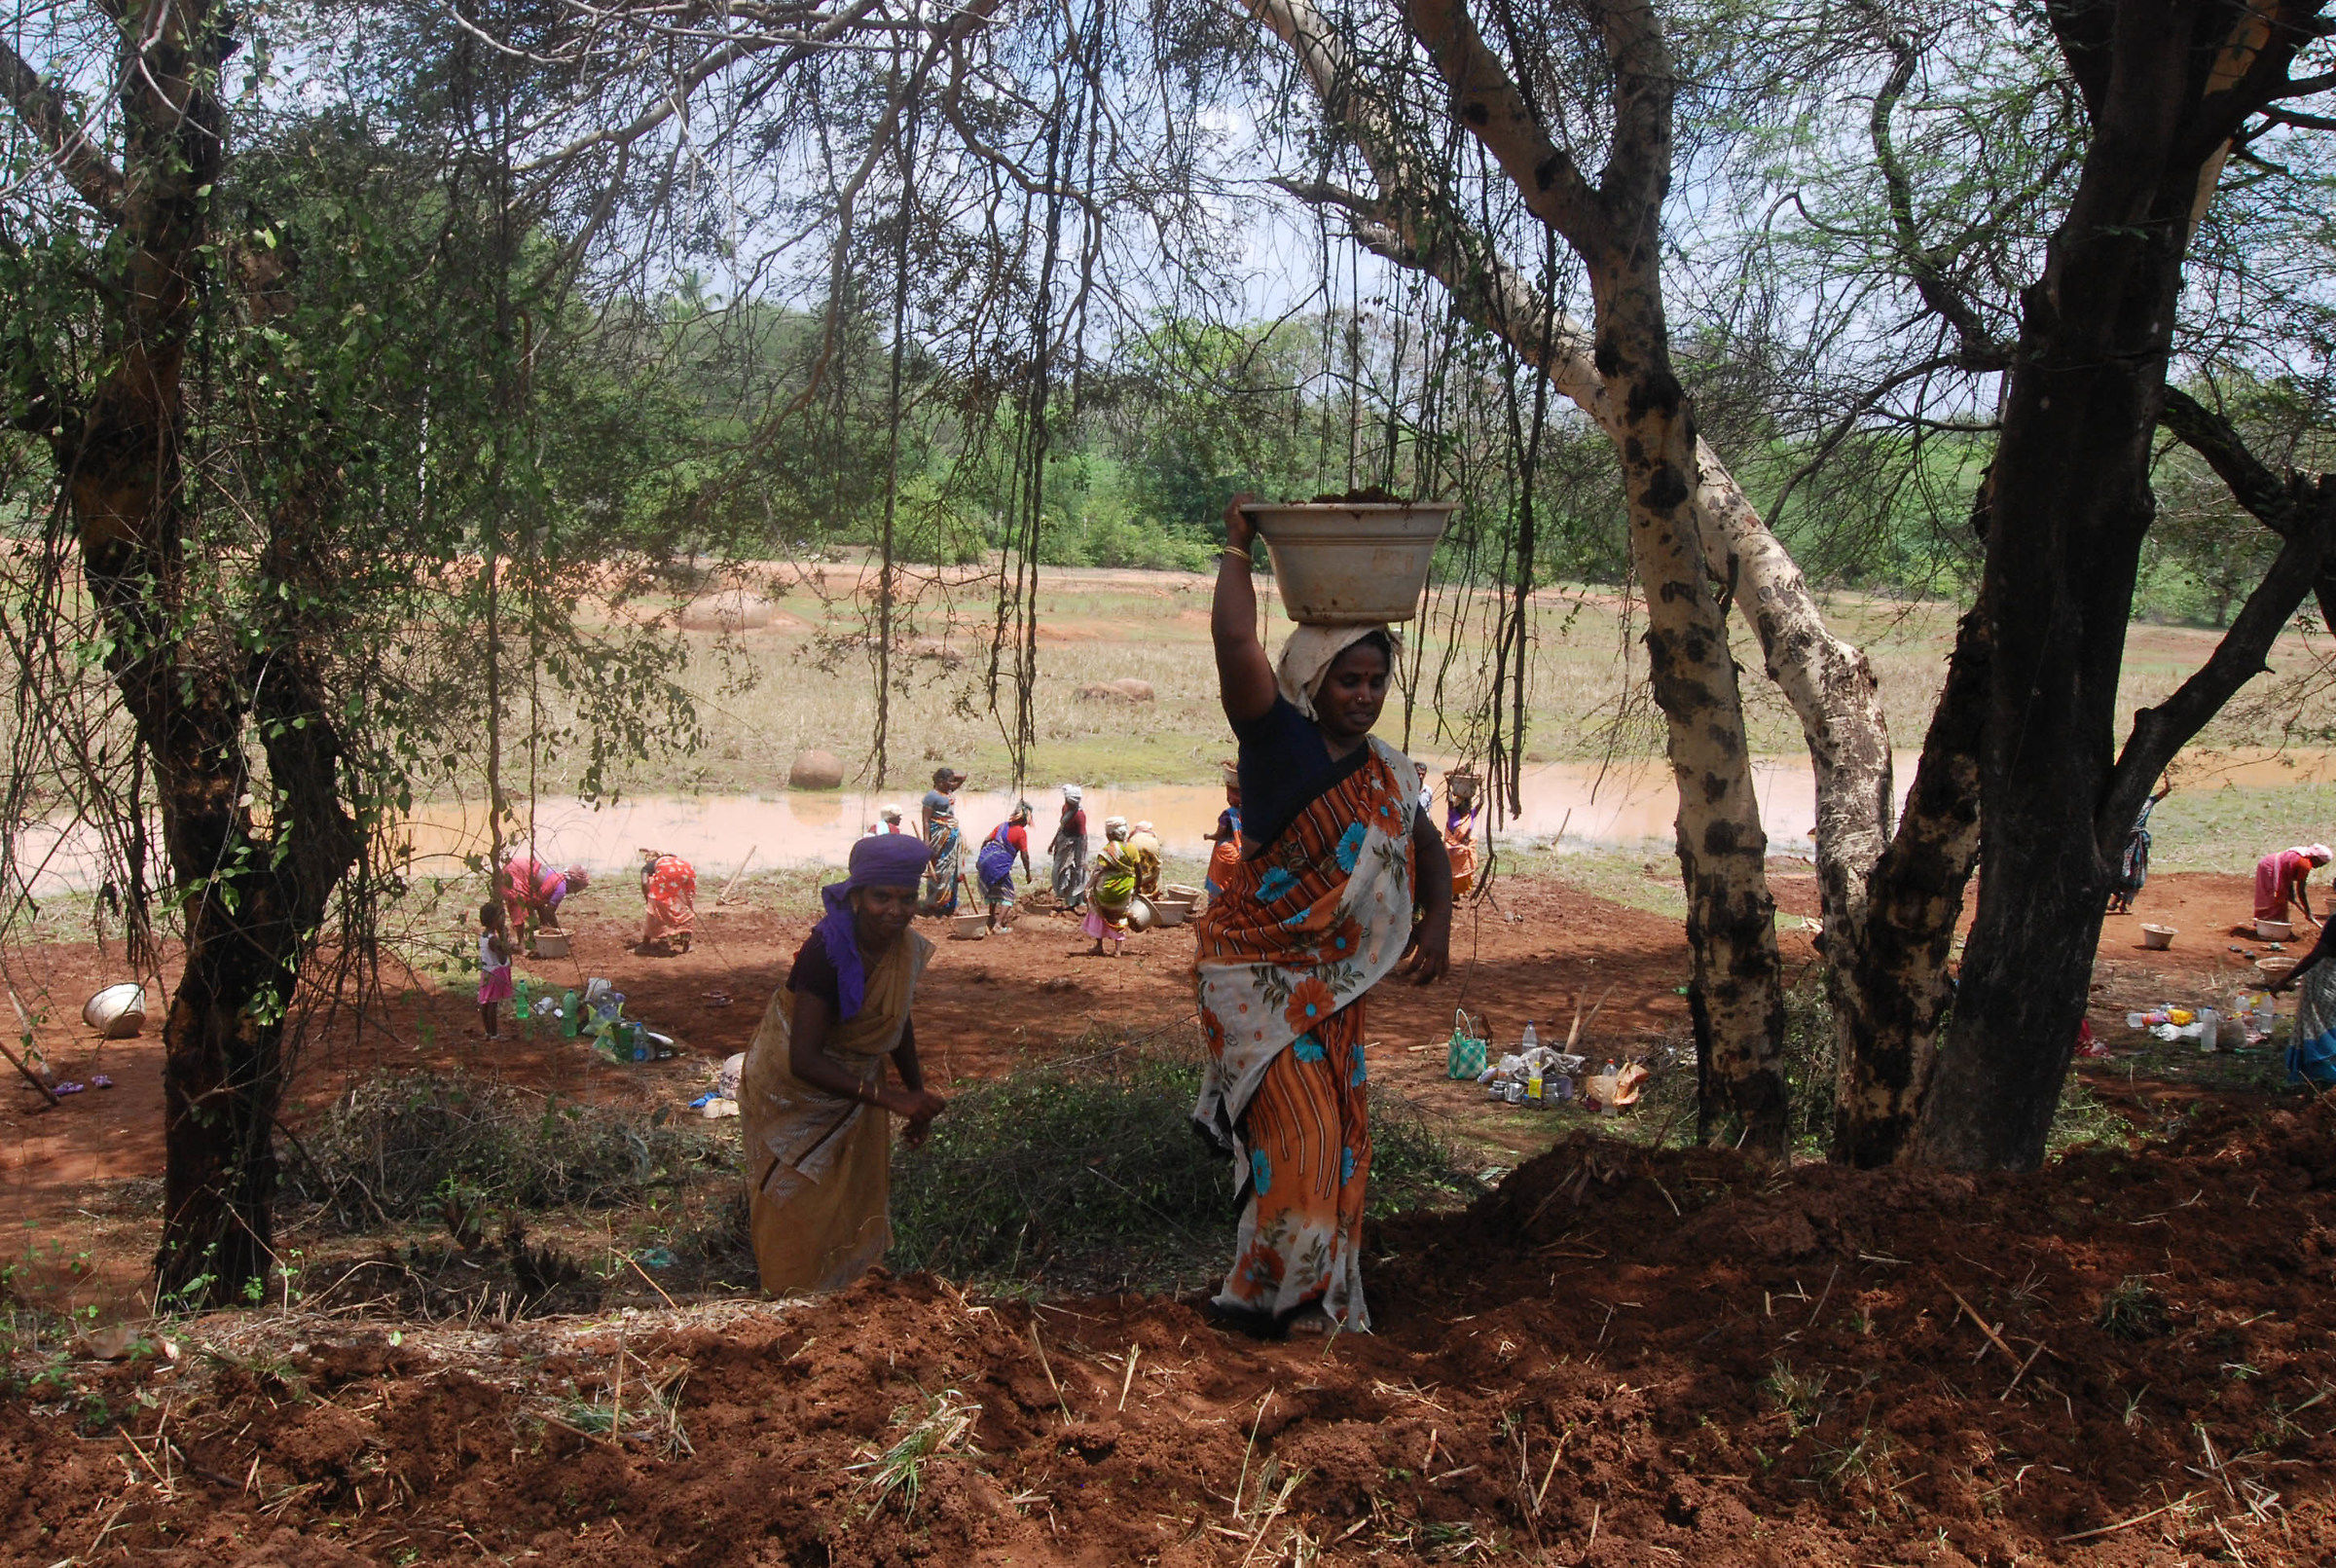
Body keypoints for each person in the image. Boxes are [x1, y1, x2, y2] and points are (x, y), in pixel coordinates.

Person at [1190, 493, 1451, 1338]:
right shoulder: (1277, 742)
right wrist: (1238, 547)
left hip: (1330, 998)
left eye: (1377, 680)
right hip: (1260, 983)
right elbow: (1236, 642)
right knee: (1298, 1139)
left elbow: (1426, 844)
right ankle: (1272, 1305)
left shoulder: (1385, 769)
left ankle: (1303, 1302)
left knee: (1336, 1145)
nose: (1365, 695)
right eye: (1349, 679)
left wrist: (1438, 923)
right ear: (1312, 678)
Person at [739, 834, 949, 1295]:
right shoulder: (826, 950)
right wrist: (894, 1099)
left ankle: (846, 1294)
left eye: (908, 897)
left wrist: (915, 1093)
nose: (896, 910)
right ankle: (790, 1296)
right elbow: (805, 1061)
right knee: (796, 1200)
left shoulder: (904, 948)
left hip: (853, 1084)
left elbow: (897, 1020)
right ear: (856, 897)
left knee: (847, 1194)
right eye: (882, 897)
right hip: (790, 1090)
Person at [2107, 783, 2171, 915]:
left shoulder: (2146, 801)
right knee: (2117, 870)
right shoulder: (2133, 802)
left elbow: (2166, 790)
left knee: (2135, 873)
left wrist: (2168, 781)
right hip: (2124, 840)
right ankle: (2116, 899)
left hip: (2137, 842)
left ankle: (2124, 903)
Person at [1082, 817, 1140, 957]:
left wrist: (1088, 887)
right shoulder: (1132, 848)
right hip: (1125, 890)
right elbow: (1138, 869)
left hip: (1106, 891)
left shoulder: (1108, 850)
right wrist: (1137, 887)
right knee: (1120, 915)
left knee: (1097, 907)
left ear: (1109, 834)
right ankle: (1118, 950)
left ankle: (1099, 945)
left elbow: (1098, 871)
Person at [497, 853, 588, 941]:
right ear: (574, 884)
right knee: (517, 904)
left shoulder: (556, 878)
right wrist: (558, 931)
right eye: (577, 889)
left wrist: (544, 925)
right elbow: (549, 912)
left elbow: (540, 906)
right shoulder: (561, 888)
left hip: (520, 867)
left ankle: (534, 937)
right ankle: (521, 944)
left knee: (526, 903)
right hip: (517, 871)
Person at [975, 802, 1035, 931]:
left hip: (985, 860)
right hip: (999, 865)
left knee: (993, 889)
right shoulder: (1021, 833)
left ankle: (990, 918)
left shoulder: (1002, 826)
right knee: (1009, 895)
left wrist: (980, 858)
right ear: (1025, 820)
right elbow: (1025, 856)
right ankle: (998, 925)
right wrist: (1028, 873)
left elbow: (986, 840)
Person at [921, 767, 969, 916]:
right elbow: (926, 821)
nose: (951, 783)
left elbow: (964, 776)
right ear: (940, 782)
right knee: (940, 867)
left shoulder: (948, 791)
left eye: (951, 781)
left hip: (952, 834)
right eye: (948, 781)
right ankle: (936, 904)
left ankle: (950, 903)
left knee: (952, 868)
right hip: (939, 834)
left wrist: (952, 774)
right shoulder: (931, 797)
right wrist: (926, 840)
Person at [2254, 843, 2331, 927]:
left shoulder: (2301, 856)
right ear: (2315, 858)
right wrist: (2308, 911)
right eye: (2321, 863)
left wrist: (2291, 895)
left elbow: (2288, 873)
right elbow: (2301, 890)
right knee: (2275, 897)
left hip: (2271, 864)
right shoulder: (2304, 864)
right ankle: (2268, 926)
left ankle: (2277, 926)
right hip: (2269, 867)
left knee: (2282, 897)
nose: (2320, 866)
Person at [639, 848, 697, 953]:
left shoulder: (651, 865)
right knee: (685, 907)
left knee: (654, 906)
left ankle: (645, 944)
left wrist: (649, 899)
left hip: (668, 875)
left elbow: (644, 883)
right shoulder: (676, 860)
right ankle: (686, 945)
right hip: (688, 871)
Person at [477, 900, 514, 1040]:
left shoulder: (484, 936)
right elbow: (503, 959)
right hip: (496, 973)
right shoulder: (494, 940)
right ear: (494, 920)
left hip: (486, 971)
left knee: (485, 1002)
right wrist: (504, 939)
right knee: (493, 1003)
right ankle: (494, 1034)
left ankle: (488, 1032)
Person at [1048, 785, 1089, 911]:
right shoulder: (1065, 808)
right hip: (1064, 840)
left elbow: (1082, 836)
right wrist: (1053, 843)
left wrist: (1081, 859)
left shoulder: (1079, 815)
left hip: (1077, 843)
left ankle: (1076, 899)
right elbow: (1061, 827)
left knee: (1078, 872)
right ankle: (1062, 893)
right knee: (1059, 869)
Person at [1206, 769, 1244, 900]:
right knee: (1232, 884)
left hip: (1225, 853)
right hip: (1238, 854)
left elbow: (1219, 834)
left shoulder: (1227, 815)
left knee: (1219, 881)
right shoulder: (1246, 813)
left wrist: (1209, 836)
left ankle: (1215, 907)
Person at [1443, 770, 1482, 898]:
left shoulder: (1470, 815)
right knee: (1450, 872)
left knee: (1463, 873)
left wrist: (1481, 786)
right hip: (1452, 848)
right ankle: (1450, 892)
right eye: (1465, 804)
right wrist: (1448, 784)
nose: (1467, 806)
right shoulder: (1453, 813)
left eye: (1468, 804)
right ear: (1458, 805)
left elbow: (1481, 803)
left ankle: (1457, 894)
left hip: (1462, 849)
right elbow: (1449, 799)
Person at [1128, 820, 1164, 898]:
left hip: (1135, 852)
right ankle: (1154, 892)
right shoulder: (1153, 835)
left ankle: (1134, 890)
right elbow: (1158, 849)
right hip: (1150, 855)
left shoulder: (1132, 835)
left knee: (1134, 868)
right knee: (1156, 868)